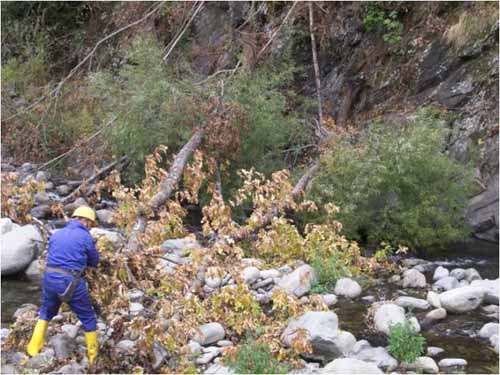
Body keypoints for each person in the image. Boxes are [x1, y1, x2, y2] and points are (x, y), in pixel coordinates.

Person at [26, 206, 100, 364]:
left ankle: (33, 349)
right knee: (88, 317)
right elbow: (94, 260)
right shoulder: (85, 237)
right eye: (90, 224)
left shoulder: (56, 234)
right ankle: (93, 357)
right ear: (85, 221)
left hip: (49, 277)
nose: (90, 227)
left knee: (46, 312)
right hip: (69, 281)